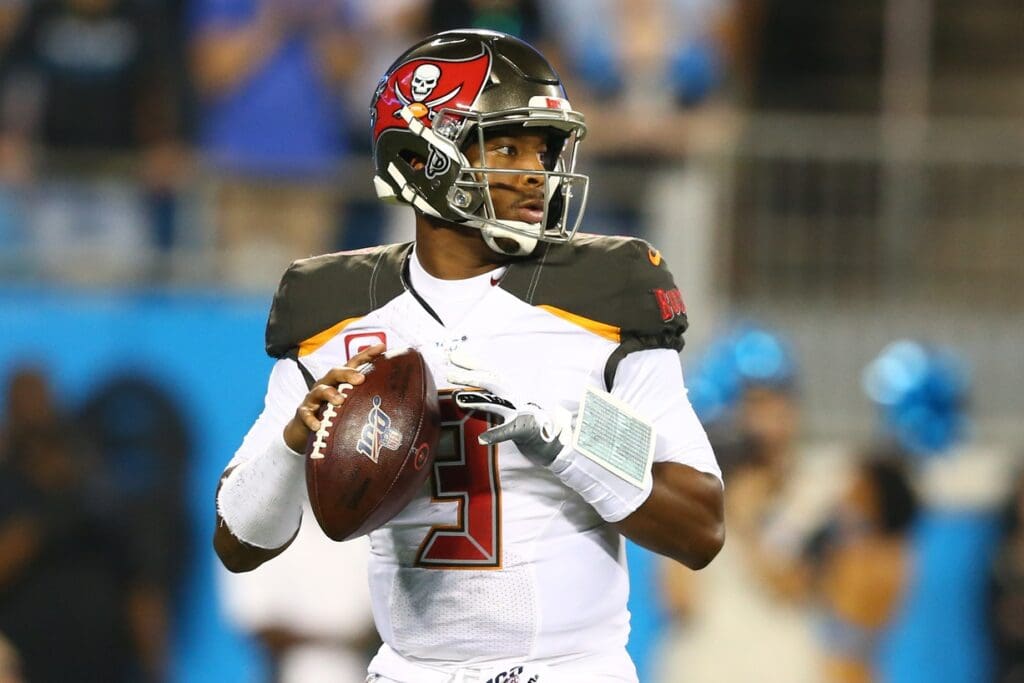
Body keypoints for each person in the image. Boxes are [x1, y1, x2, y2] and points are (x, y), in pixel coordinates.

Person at [213, 29, 724, 683]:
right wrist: (292, 443)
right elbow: (239, 541)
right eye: (507, 146)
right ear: (423, 156)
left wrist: (570, 438)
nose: (536, 171)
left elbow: (701, 524)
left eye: (543, 148)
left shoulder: (605, 293)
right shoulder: (334, 310)